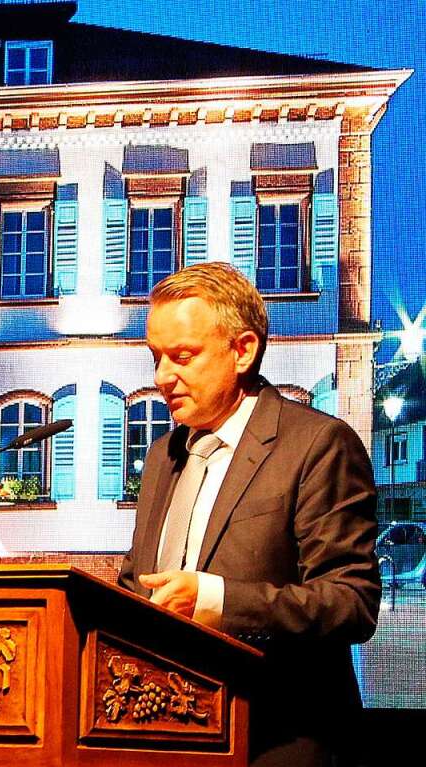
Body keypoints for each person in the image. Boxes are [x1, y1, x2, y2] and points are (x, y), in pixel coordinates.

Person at [117, 262, 380, 767]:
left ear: (243, 350)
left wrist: (215, 598)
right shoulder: (161, 456)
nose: (162, 377)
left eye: (183, 356)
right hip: (164, 737)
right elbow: (136, 584)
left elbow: (351, 603)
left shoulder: (318, 445)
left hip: (276, 741)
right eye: (156, 358)